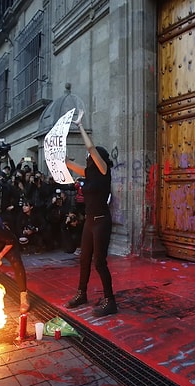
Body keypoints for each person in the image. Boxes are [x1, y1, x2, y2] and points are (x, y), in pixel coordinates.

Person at [63, 110, 117, 317]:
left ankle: (110, 300)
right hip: (90, 221)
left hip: (102, 221)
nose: (88, 157)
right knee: (84, 259)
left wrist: (79, 126)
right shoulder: (89, 173)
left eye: (91, 156)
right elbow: (70, 165)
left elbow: (91, 148)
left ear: (99, 158)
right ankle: (81, 293)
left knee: (99, 262)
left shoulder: (104, 170)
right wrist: (63, 159)